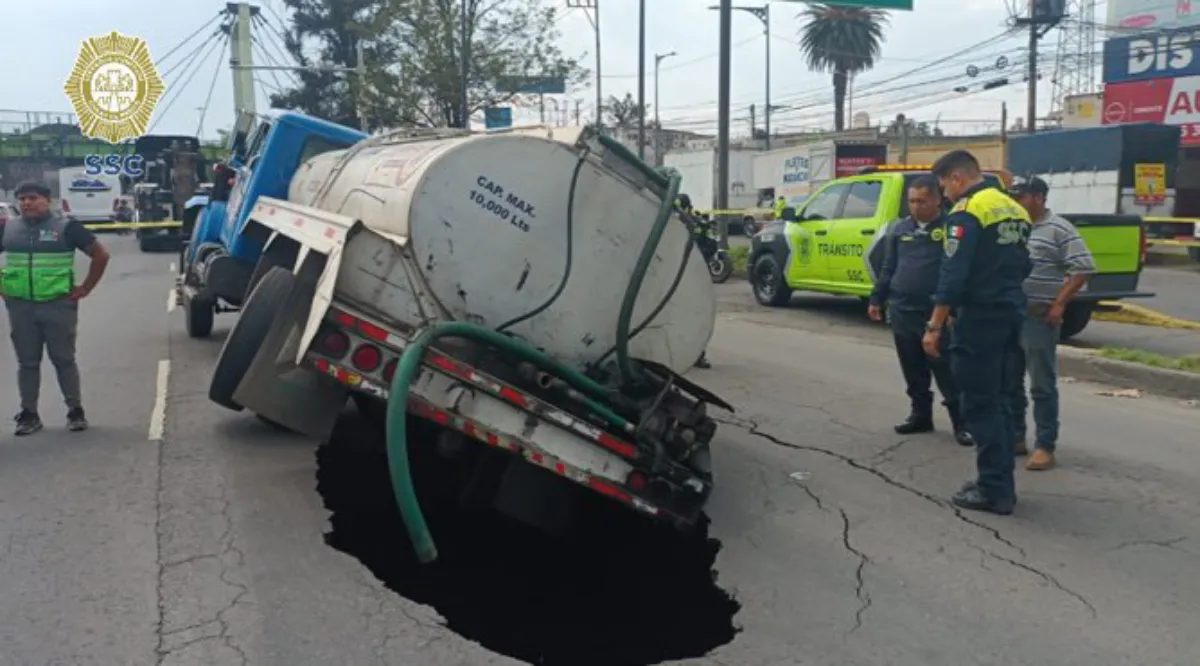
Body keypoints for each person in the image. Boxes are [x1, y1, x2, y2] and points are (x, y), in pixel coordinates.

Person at [922, 151, 1032, 515]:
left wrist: (935, 324)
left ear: (956, 178)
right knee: (1001, 400)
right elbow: (1023, 263)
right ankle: (997, 480)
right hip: (1010, 312)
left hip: (980, 318)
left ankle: (994, 491)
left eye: (943, 185)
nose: (945, 194)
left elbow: (953, 274)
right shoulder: (1012, 207)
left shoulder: (967, 211)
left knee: (979, 404)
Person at [869, 176, 972, 446]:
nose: (916, 206)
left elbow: (957, 272)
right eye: (912, 201)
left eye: (922, 201)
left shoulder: (951, 227)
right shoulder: (900, 229)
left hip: (935, 312)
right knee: (912, 367)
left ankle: (962, 423)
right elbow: (889, 267)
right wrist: (876, 298)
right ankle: (920, 415)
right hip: (902, 308)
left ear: (938, 200)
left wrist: (952, 310)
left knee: (946, 369)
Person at [1, 181, 110, 435]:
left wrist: (85, 288)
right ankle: (29, 414)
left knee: (63, 359)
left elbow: (101, 255)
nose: (26, 203)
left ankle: (75, 411)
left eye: (33, 198)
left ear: (47, 201)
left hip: (58, 306)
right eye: (22, 199)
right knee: (27, 362)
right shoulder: (8, 229)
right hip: (21, 307)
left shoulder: (67, 228)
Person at [1007, 176, 1095, 471]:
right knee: (1009, 380)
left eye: (1022, 196)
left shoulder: (1059, 228)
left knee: (1041, 384)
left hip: (1039, 315)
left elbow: (1083, 267)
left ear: (1040, 197)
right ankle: (1016, 436)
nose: (1016, 201)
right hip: (1010, 314)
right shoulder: (1012, 227)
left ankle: (1045, 444)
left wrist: (1060, 303)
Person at [675, 193, 712, 369]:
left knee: (694, 316)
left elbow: (709, 246)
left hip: (692, 276)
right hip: (676, 275)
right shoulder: (670, 220)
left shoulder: (694, 223)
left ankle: (698, 354)